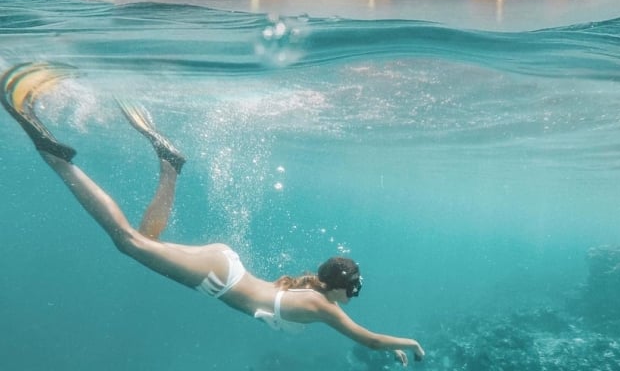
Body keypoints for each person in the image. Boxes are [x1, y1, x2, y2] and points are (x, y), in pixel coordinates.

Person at [1, 62, 425, 366]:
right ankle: (55, 156)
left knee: (144, 239)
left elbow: (369, 339)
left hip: (224, 270)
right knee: (126, 241)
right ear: (344, 288)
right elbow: (367, 340)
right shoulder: (321, 305)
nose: (355, 297)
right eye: (356, 289)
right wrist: (409, 343)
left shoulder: (313, 295)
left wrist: (391, 347)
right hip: (218, 277)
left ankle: (169, 165)